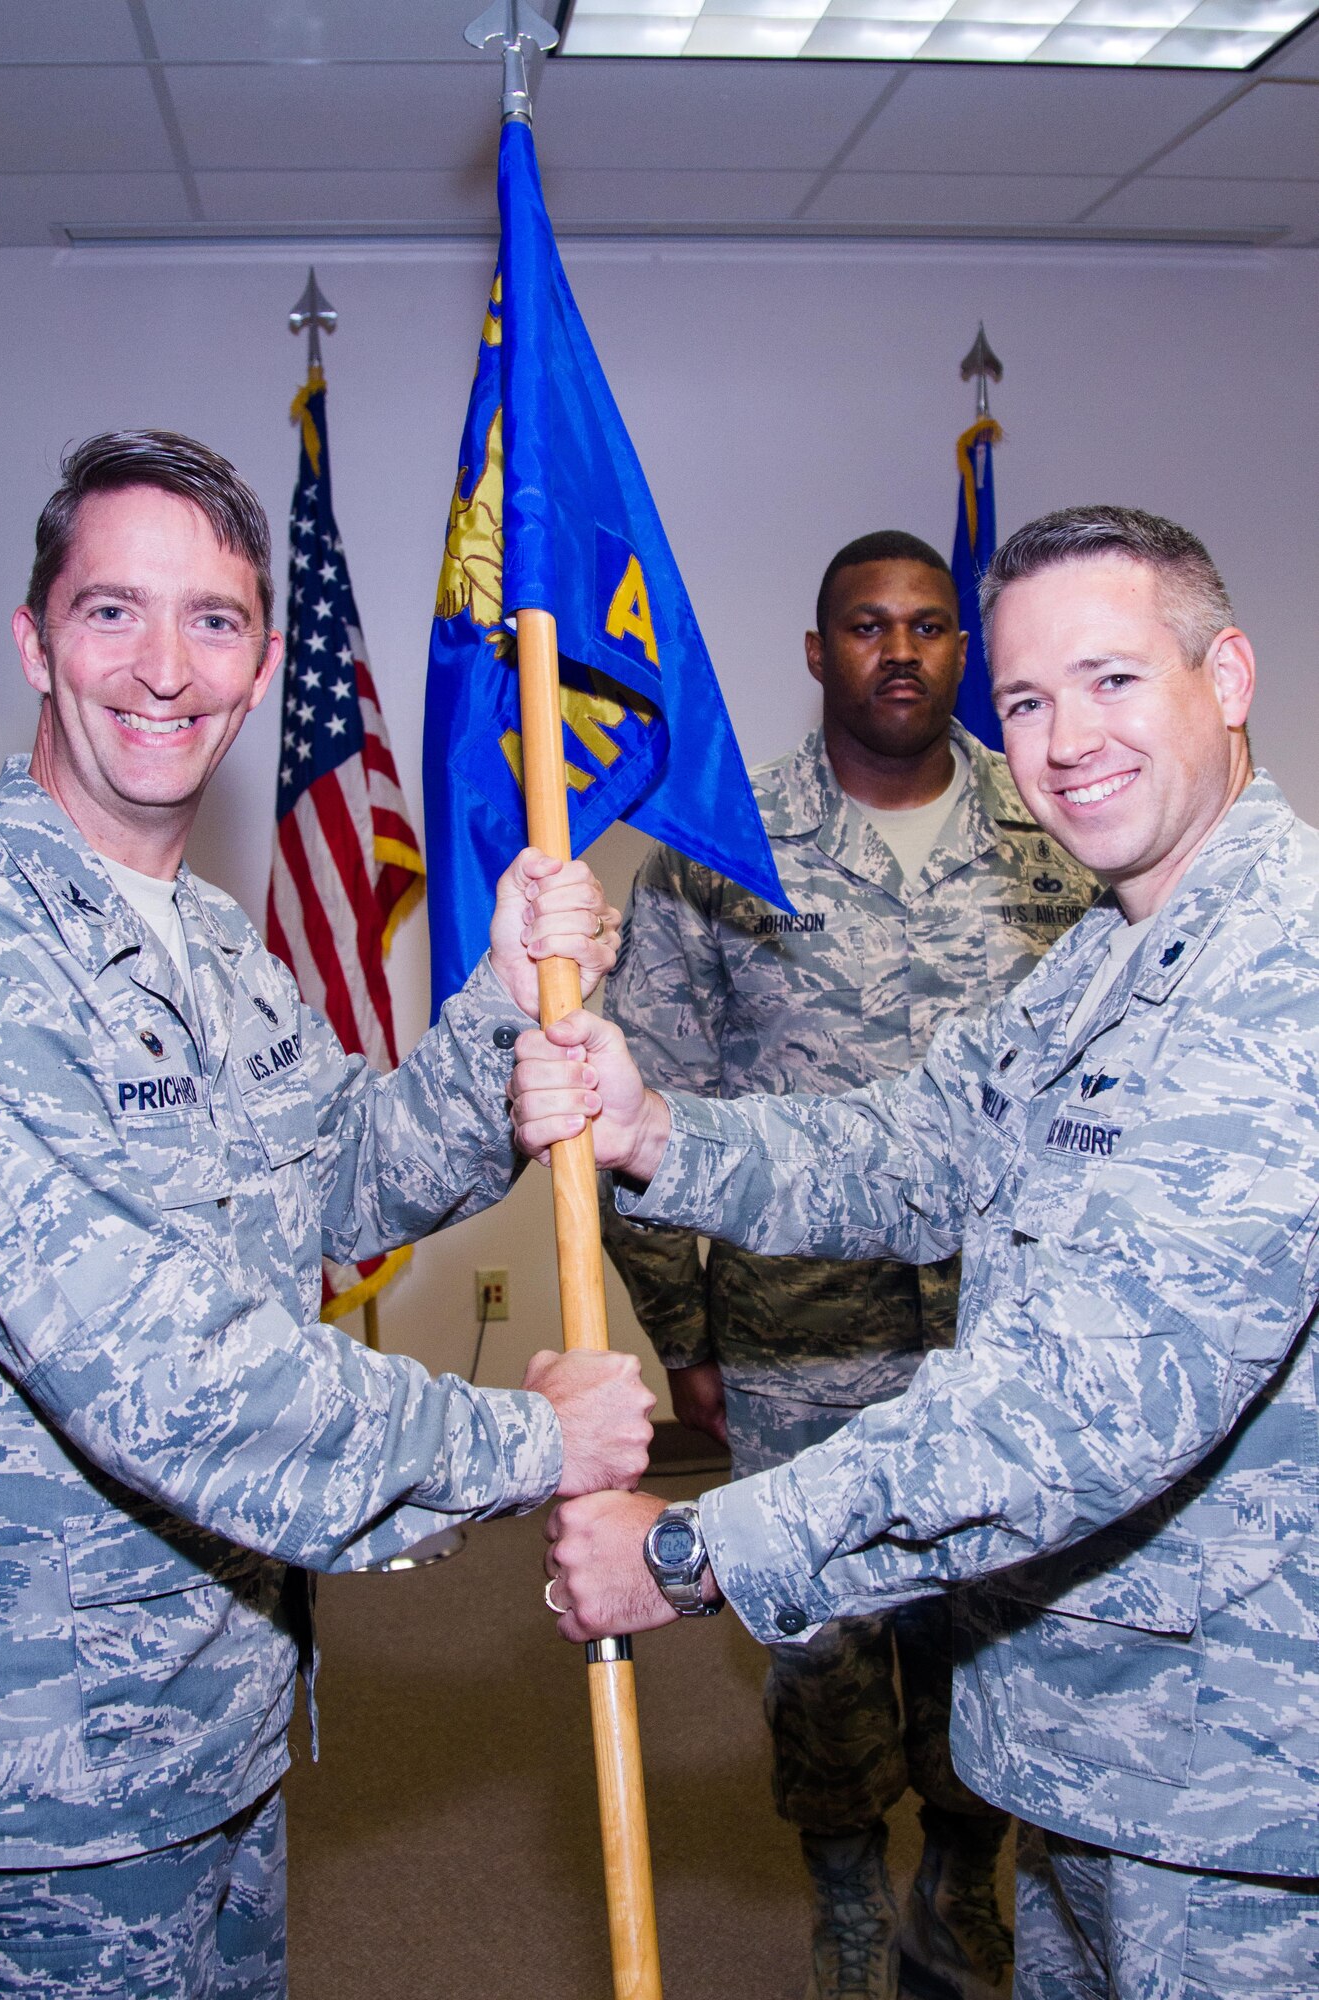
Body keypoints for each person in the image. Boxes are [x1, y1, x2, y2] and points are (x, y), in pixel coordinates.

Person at [513, 506, 1319, 2000]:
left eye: (1111, 680)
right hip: (1098, 1746)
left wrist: (691, 1553)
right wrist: (660, 1134)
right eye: (1022, 701)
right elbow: (922, 1144)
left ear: (1227, 675)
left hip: (1228, 1776)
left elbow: (1077, 1407)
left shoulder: (1278, 978)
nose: (1064, 738)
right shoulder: (1114, 948)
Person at [0, 431, 654, 1996]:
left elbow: (347, 1174)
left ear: (264, 658)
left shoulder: (213, 945)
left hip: (216, 1709)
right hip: (49, 1767)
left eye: (213, 621)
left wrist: (499, 1005)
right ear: (32, 639)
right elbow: (172, 1377)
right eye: (110, 613)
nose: (165, 669)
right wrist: (524, 1444)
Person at [601, 530, 1094, 2000]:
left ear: (966, 652)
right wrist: (681, 1333)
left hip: (1006, 1335)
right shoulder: (718, 845)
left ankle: (959, 1871)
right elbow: (650, 1112)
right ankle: (842, 1889)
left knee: (989, 1614)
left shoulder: (1056, 831)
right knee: (813, 1634)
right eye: (867, 627)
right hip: (796, 1336)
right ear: (816, 653)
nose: (901, 652)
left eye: (932, 625)